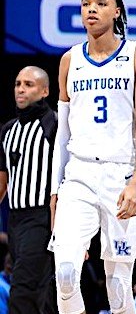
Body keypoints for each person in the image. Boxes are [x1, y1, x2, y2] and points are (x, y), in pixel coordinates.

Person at [49, 0, 136, 314]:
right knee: (65, 272)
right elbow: (62, 132)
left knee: (119, 285)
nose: (90, 9)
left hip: (122, 173)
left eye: (100, 3)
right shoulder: (69, 60)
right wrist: (55, 191)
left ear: (117, 11)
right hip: (78, 173)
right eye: (85, 3)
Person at [0, 66, 58, 314]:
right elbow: (3, 180)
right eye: (17, 84)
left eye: (28, 84)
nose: (21, 89)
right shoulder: (8, 130)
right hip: (16, 219)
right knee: (39, 292)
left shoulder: (54, 124)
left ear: (44, 90)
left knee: (23, 289)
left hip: (43, 217)